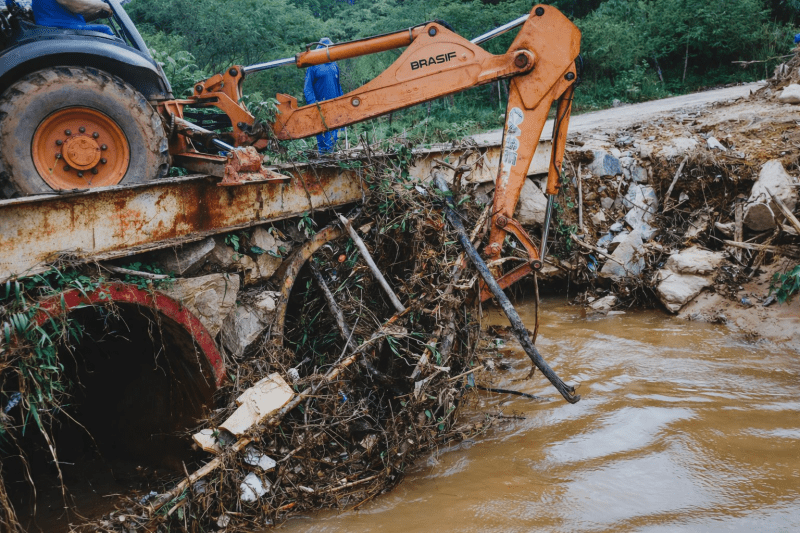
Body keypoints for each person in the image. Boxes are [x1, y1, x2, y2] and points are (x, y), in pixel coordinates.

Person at [303, 37, 343, 154]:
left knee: (334, 135)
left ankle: (330, 156)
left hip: (334, 106)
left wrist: (342, 101)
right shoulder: (313, 66)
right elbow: (308, 88)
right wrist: (313, 105)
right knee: (322, 134)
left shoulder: (334, 65)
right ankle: (323, 157)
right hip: (320, 107)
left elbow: (338, 85)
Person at [31, 0, 114, 35]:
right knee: (104, 30)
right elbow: (78, 7)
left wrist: (98, 14)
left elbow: (80, 18)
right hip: (58, 30)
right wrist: (103, 5)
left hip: (64, 28)